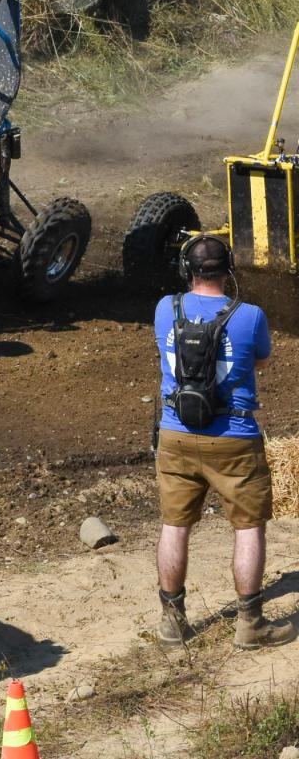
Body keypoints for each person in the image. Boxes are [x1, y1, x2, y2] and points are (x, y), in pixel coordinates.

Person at [152, 235, 295, 650]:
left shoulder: (166, 309)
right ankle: (251, 624)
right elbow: (262, 359)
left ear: (187, 270)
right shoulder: (250, 315)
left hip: (176, 433)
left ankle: (172, 621)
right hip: (234, 437)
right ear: (228, 268)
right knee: (249, 529)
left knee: (174, 526)